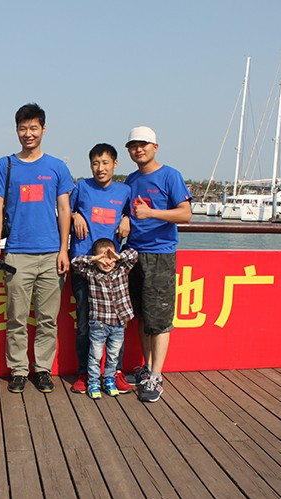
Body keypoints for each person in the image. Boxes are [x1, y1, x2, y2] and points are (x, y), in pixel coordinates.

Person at [0, 103, 74, 393]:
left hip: (51, 254)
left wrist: (64, 249)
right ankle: (19, 370)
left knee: (48, 319)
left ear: (44, 129)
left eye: (33, 128)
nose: (28, 133)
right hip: (17, 254)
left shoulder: (57, 167)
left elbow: (64, 209)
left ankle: (43, 369)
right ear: (16, 130)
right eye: (23, 128)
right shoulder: (5, 165)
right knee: (17, 318)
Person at [124, 126, 192, 403]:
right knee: (142, 315)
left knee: (160, 319)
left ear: (155, 147)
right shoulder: (130, 180)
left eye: (143, 144)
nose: (138, 149)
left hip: (160, 255)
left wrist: (151, 213)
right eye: (133, 146)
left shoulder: (170, 175)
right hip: (133, 254)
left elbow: (185, 214)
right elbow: (126, 212)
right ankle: (147, 367)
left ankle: (156, 375)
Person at [69, 143, 134, 395]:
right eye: (95, 163)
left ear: (115, 164)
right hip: (85, 267)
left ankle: (114, 372)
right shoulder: (81, 187)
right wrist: (74, 215)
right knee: (85, 324)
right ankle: (84, 373)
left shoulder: (124, 191)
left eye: (105, 163)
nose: (100, 168)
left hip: (112, 270)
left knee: (118, 324)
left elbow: (131, 214)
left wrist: (127, 218)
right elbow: (64, 210)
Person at [71, 239, 138, 399]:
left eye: (110, 257)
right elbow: (75, 263)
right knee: (95, 355)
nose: (107, 262)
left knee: (113, 355)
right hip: (98, 323)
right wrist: (94, 259)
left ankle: (109, 379)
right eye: (103, 257)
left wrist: (117, 257)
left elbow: (134, 255)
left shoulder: (121, 269)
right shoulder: (92, 272)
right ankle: (93, 382)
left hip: (118, 323)